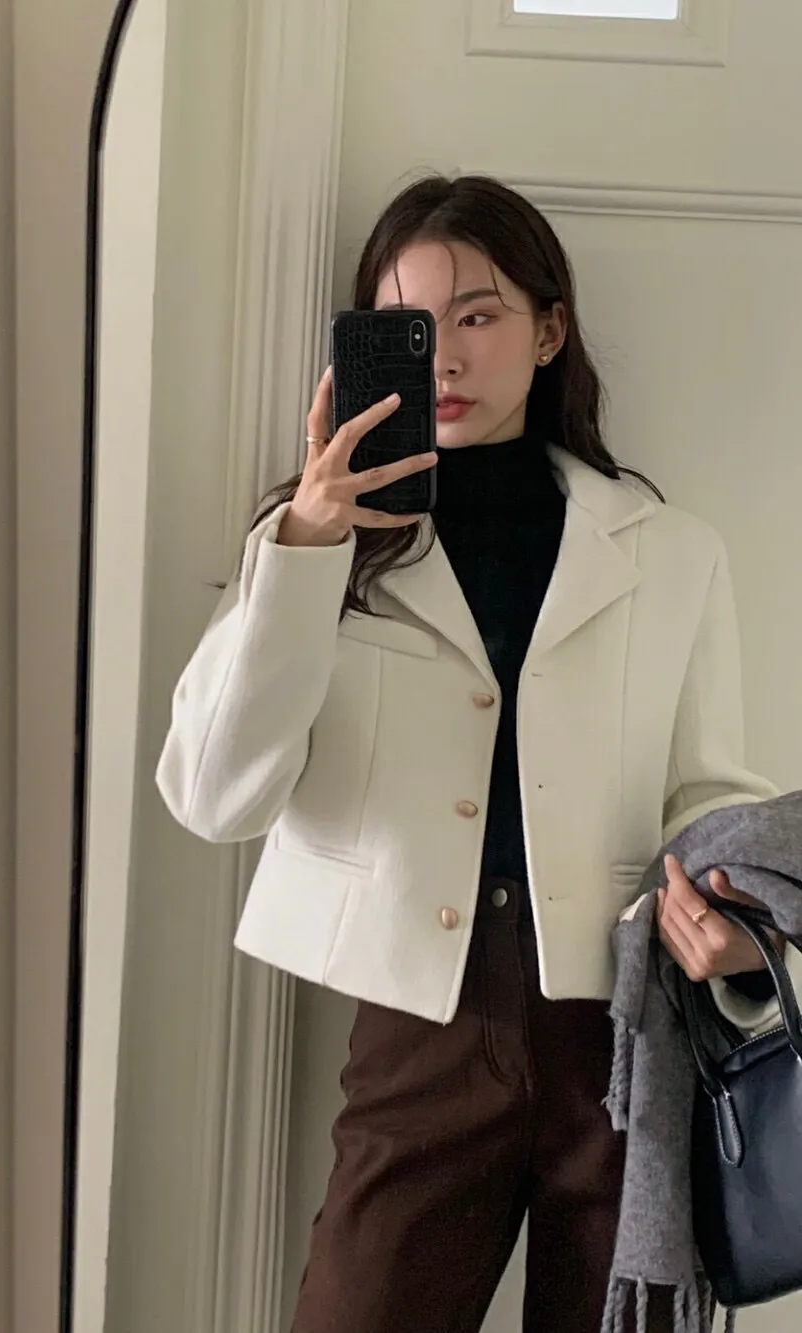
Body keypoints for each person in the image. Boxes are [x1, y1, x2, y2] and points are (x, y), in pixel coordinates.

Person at [155, 175, 784, 1333]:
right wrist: (306, 542)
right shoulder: (316, 549)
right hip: (419, 1028)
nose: (442, 355)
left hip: (623, 1030)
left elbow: (706, 794)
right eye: (407, 324)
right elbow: (211, 794)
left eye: (478, 315)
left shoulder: (670, 552)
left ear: (548, 331)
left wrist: (741, 927)